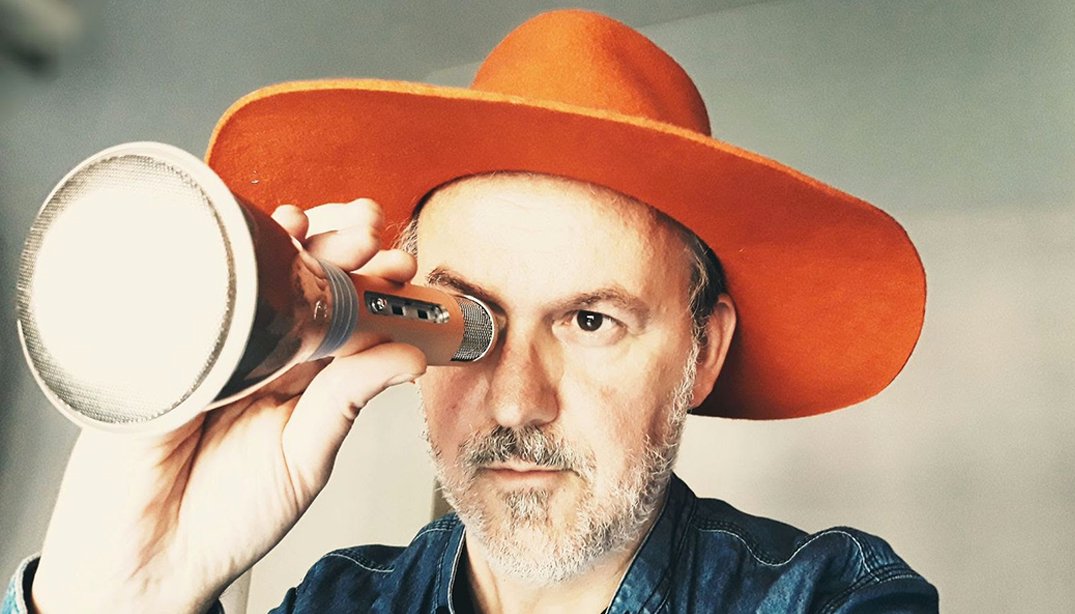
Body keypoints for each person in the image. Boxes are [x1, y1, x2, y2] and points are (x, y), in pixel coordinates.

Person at [4, 9, 938, 613]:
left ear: (702, 351)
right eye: (465, 320)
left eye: (590, 321)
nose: (516, 401)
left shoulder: (833, 597)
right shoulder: (337, 602)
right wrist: (110, 596)